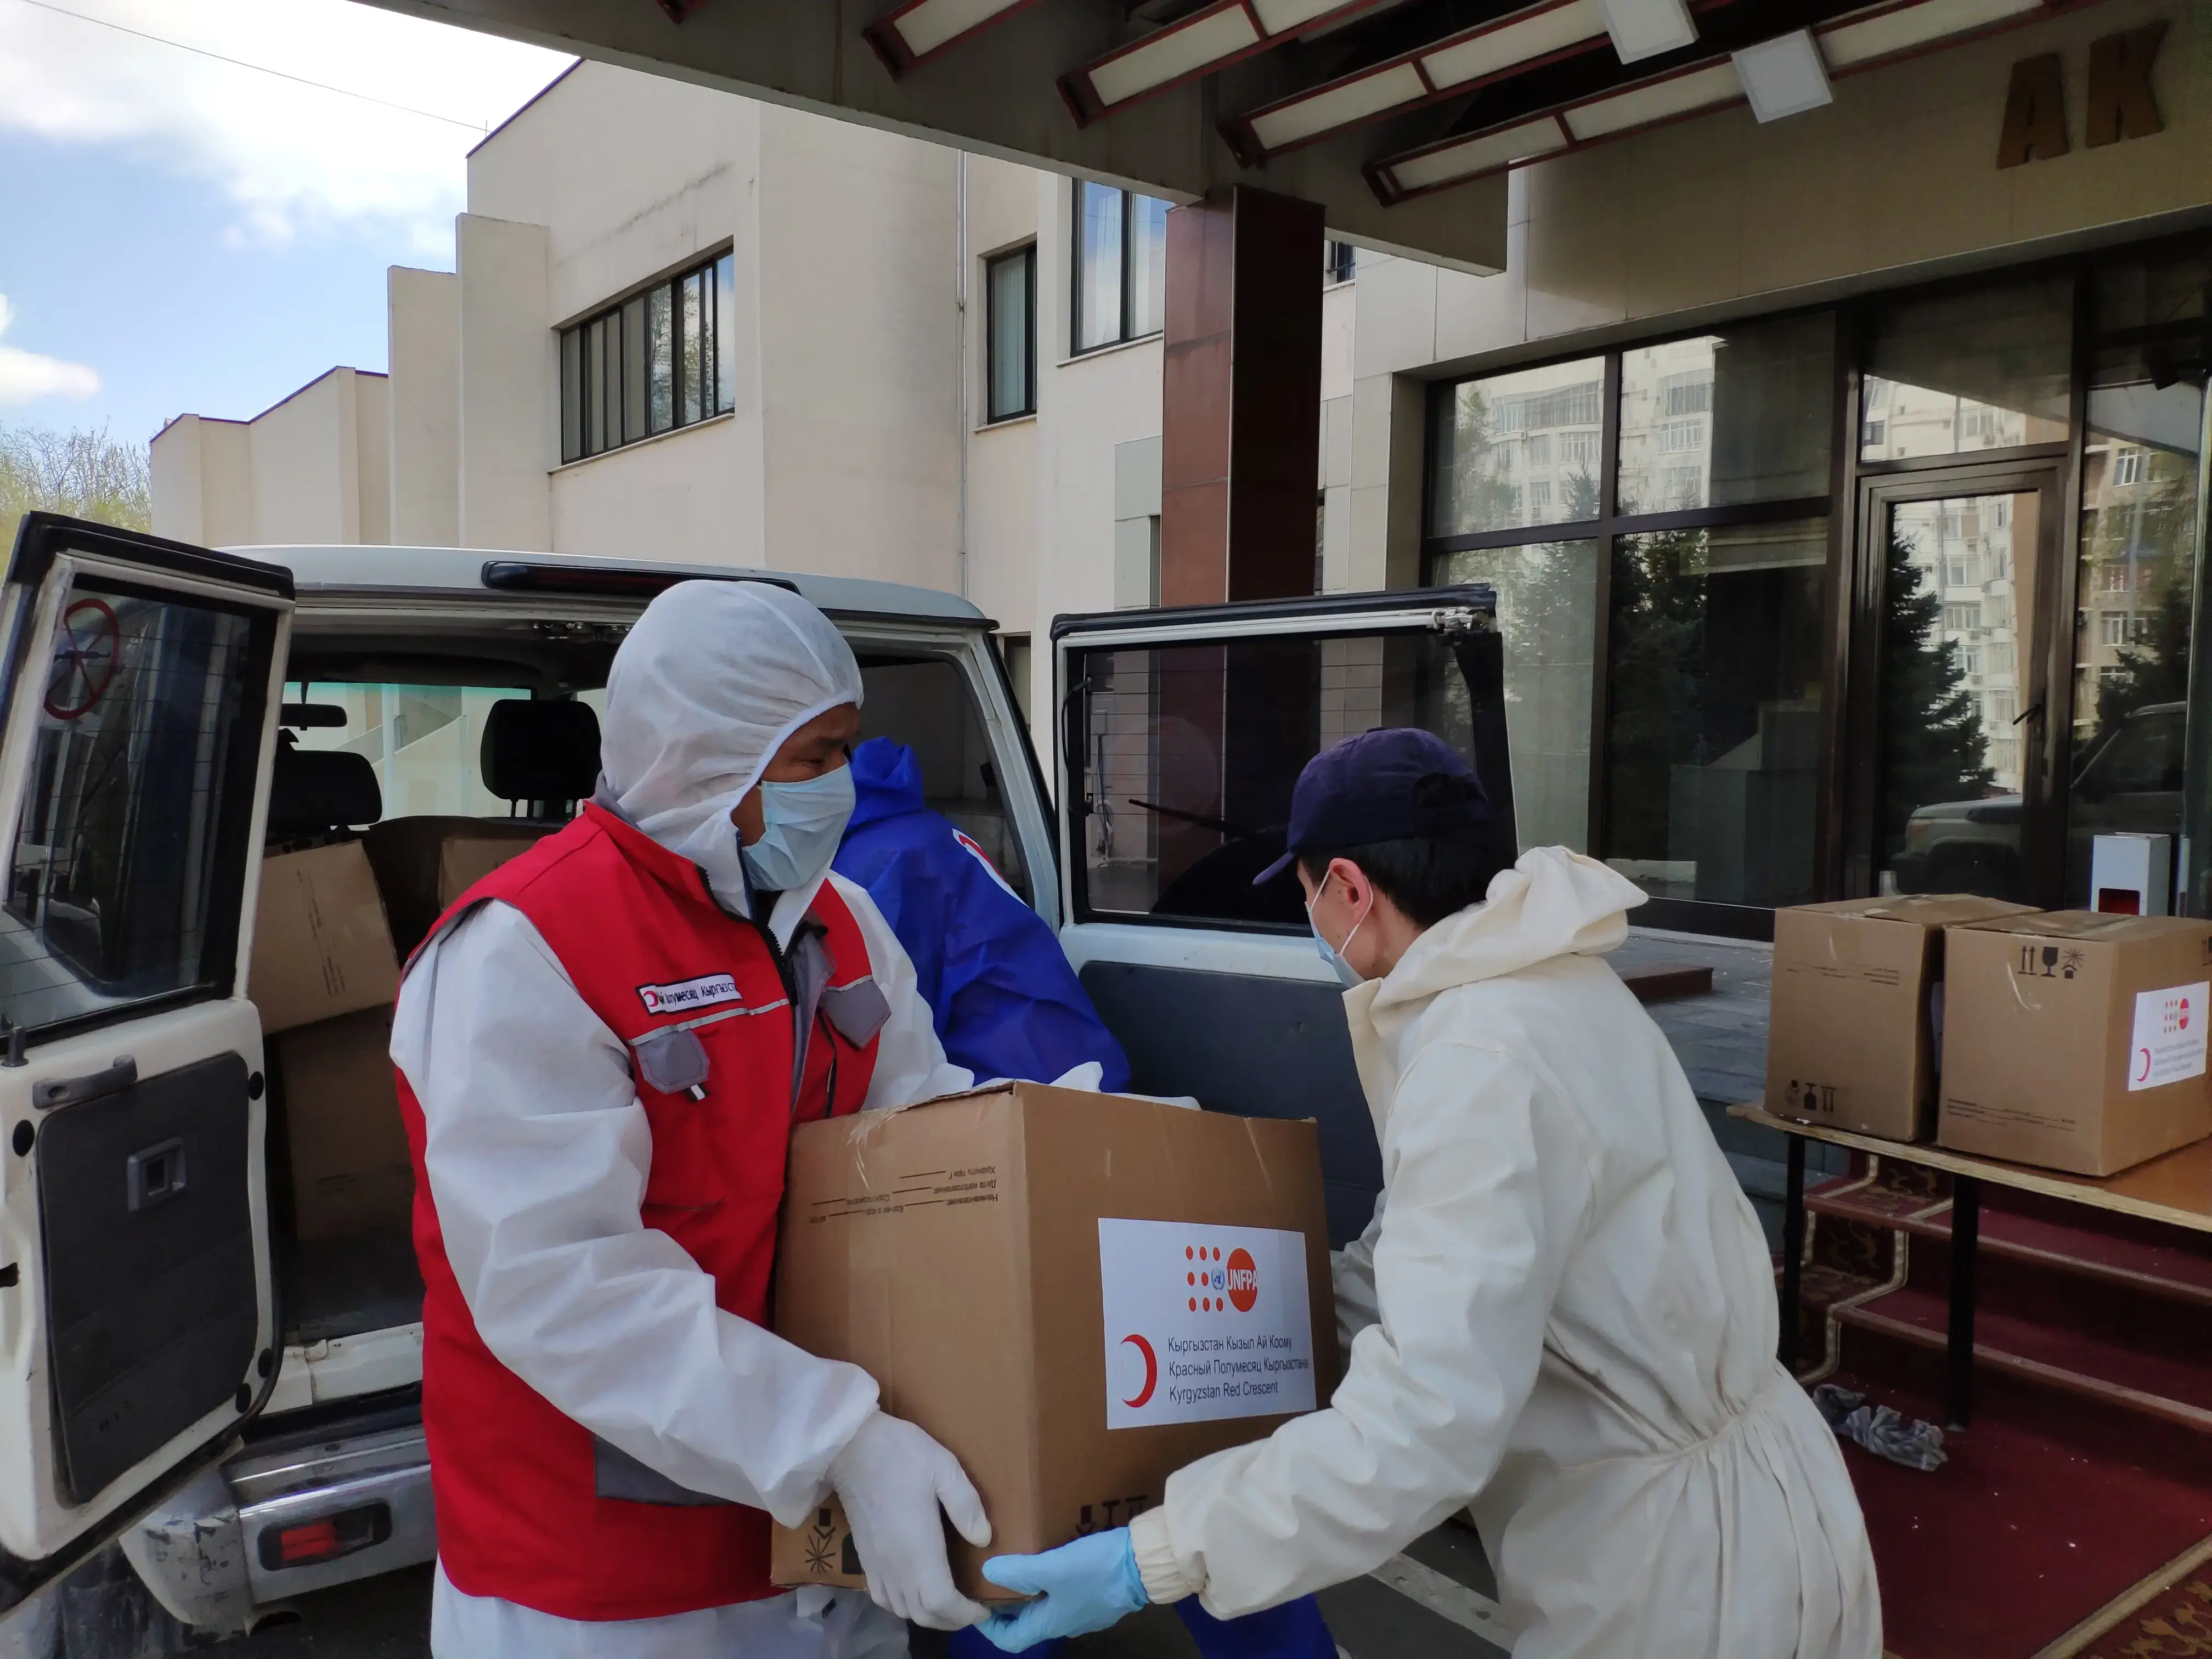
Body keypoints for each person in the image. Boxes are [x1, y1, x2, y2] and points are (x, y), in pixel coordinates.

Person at [974, 729, 1882, 1659]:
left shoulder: (1477, 1056)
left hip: (1675, 1579)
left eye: (1303, 898)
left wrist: (1152, 1554)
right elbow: (1433, 1257)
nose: (1312, 922)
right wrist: (1234, 1316)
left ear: (1349, 889)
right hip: (1764, 1499)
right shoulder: (1551, 980)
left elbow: (1420, 1426)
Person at [392, 580, 996, 1659]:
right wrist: (838, 1436)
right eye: (810, 760)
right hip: (607, 1583)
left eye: (846, 752)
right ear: (706, 761)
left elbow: (918, 1135)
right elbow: (563, 1287)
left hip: (825, 1542)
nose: (841, 790)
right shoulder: (522, 951)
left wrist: (1062, 1146)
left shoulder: (841, 923)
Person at [831, 739, 1336, 1659]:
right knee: (1178, 1441)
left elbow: (858, 1052)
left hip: (999, 1158)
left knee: (999, 1458)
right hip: (1096, 1128)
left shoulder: (865, 868)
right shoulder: (925, 835)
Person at [831, 737, 1131, 1091]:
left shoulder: (879, 860)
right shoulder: (912, 830)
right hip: (1066, 1067)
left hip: (1016, 1088)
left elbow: (878, 1020)